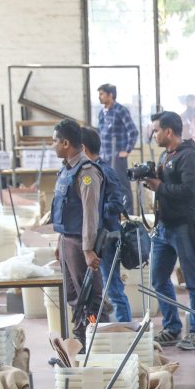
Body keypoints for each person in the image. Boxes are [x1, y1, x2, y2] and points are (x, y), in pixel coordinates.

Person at [145, 111, 195, 351]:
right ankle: (172, 327)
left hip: (184, 227)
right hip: (164, 227)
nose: (155, 135)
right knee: (159, 279)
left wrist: (160, 186)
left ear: (169, 132)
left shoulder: (189, 156)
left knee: (193, 281)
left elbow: (190, 192)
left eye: (157, 131)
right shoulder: (165, 156)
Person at [51, 119, 104, 344]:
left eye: (54, 141)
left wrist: (88, 249)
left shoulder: (86, 172)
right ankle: (79, 341)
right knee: (73, 296)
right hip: (67, 241)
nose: (52, 145)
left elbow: (90, 214)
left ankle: (94, 337)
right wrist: (59, 242)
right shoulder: (66, 170)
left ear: (66, 143)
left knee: (89, 297)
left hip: (80, 244)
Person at [81, 126, 132, 323]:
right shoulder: (87, 171)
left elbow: (118, 204)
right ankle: (97, 330)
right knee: (94, 290)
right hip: (94, 239)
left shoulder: (104, 171)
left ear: (83, 148)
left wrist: (95, 212)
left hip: (108, 239)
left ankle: (126, 332)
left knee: (114, 288)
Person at [96, 84, 138, 207]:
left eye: (102, 94)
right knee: (107, 186)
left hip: (117, 156)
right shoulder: (101, 113)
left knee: (122, 186)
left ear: (111, 95)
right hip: (104, 156)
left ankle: (129, 215)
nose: (100, 97)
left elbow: (133, 131)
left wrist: (127, 150)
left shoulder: (120, 110)